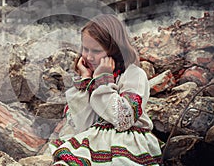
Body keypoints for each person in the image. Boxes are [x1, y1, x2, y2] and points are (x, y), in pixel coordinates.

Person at [49, 14, 162, 165]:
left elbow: (123, 120)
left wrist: (104, 82)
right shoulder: (91, 78)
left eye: (96, 51)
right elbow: (83, 125)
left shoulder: (134, 75)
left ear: (114, 50)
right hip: (94, 139)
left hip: (127, 141)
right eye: (85, 49)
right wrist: (86, 80)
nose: (88, 57)